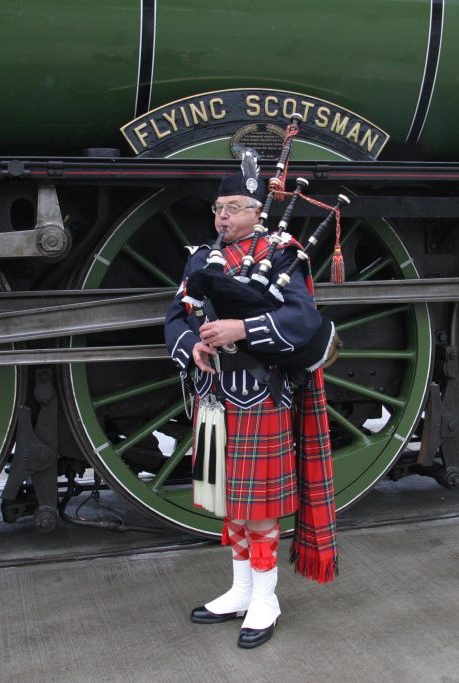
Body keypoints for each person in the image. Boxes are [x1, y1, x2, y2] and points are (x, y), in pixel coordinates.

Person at [164, 169, 337, 649]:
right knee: (227, 502)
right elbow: (177, 314)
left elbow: (302, 318)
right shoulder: (201, 258)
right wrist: (190, 346)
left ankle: (266, 599)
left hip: (261, 394)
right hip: (213, 396)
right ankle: (240, 591)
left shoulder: (282, 255)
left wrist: (241, 329)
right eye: (219, 208)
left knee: (258, 509)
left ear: (258, 211)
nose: (223, 216)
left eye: (233, 207)